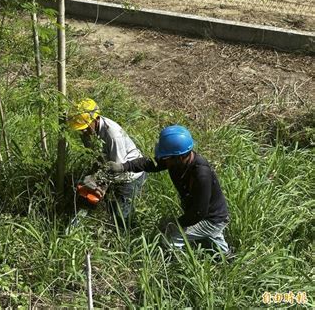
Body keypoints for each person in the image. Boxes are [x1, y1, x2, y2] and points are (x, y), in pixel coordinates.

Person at [107, 125, 231, 255]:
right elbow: (149, 164)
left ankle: (175, 263)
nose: (162, 160)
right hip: (201, 214)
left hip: (210, 219)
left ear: (180, 157)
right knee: (213, 241)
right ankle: (225, 254)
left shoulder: (201, 174)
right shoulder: (175, 161)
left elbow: (199, 212)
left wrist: (176, 224)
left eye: (166, 158)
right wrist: (123, 167)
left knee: (170, 237)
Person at [68, 98, 146, 227]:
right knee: (85, 193)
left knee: (120, 215)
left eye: (85, 128)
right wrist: (94, 178)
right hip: (108, 168)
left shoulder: (113, 135)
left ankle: (128, 234)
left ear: (95, 119)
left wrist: (99, 182)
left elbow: (117, 168)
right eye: (80, 129)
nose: (82, 132)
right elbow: (94, 155)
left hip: (129, 173)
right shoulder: (88, 130)